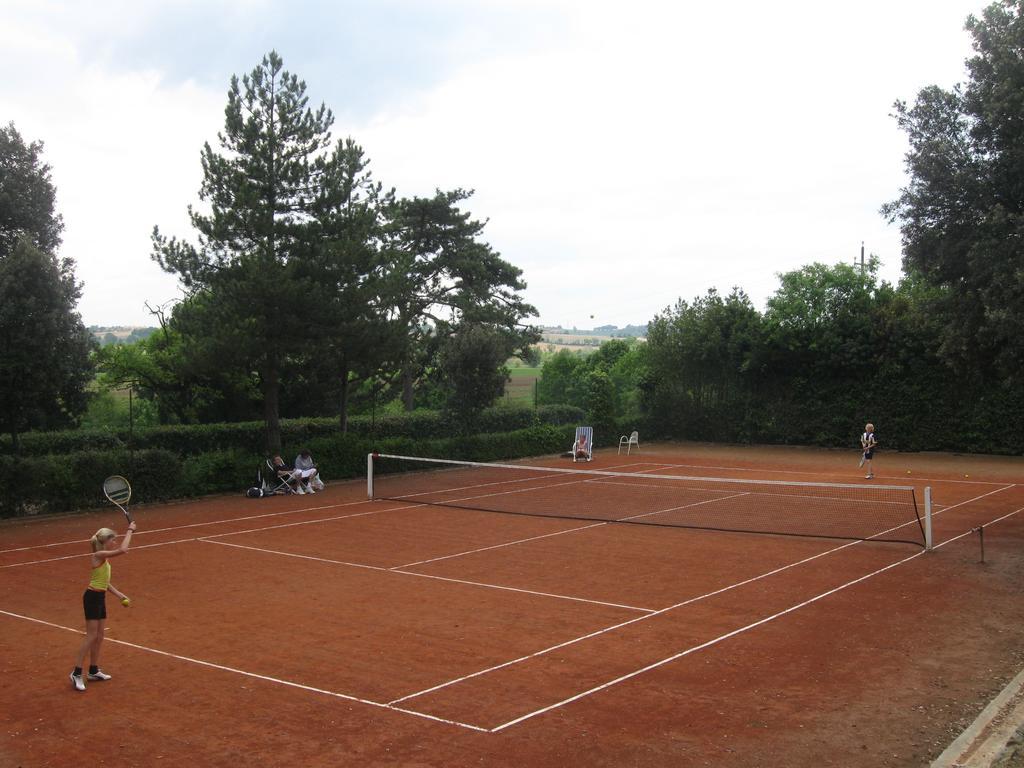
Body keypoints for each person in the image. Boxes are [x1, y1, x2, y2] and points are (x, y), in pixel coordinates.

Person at [70, 522, 137, 691]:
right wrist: (130, 530)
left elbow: (104, 582)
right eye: (112, 540)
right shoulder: (98, 554)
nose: (115, 542)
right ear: (105, 542)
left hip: (100, 597)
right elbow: (123, 550)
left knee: (100, 636)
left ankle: (93, 670)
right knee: (91, 636)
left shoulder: (104, 558)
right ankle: (76, 673)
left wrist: (119, 594)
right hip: (92, 597)